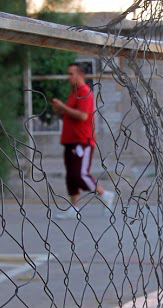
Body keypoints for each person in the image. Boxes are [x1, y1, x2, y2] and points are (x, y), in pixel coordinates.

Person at [51, 64, 114, 219]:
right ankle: (74, 207)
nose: (69, 77)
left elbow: (83, 116)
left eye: (71, 73)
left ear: (80, 75)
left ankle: (104, 194)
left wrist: (63, 107)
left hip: (82, 140)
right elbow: (70, 116)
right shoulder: (74, 94)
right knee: (71, 175)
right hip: (70, 140)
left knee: (80, 174)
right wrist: (60, 112)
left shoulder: (84, 92)